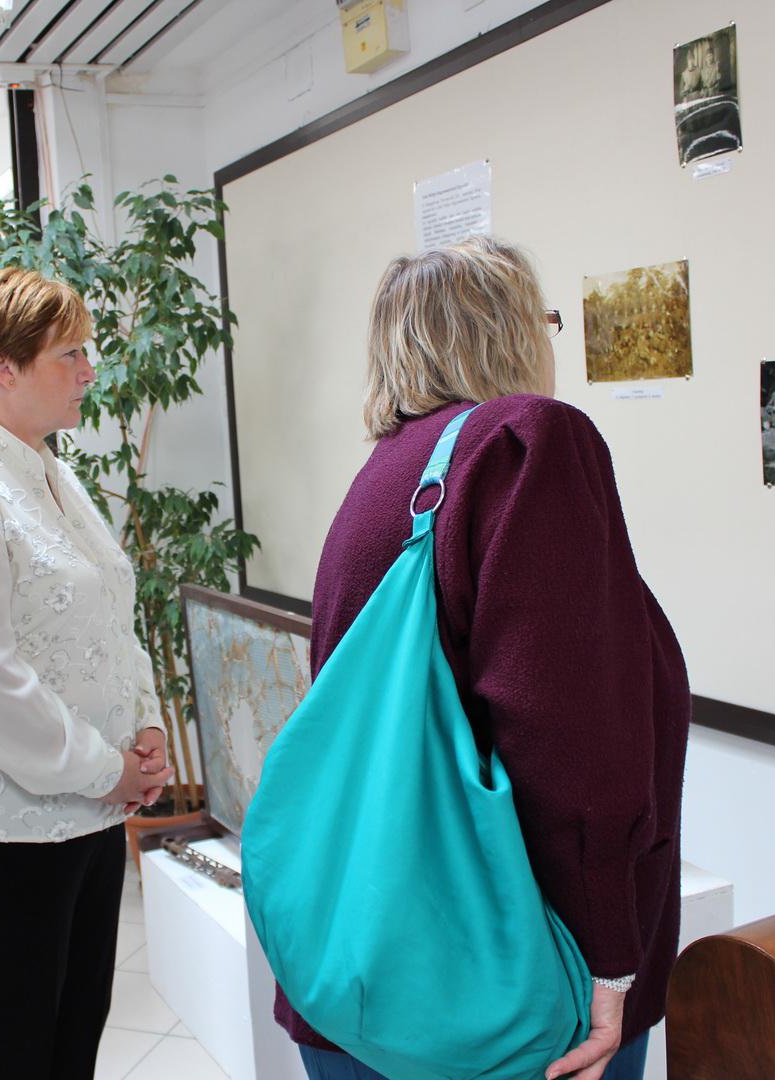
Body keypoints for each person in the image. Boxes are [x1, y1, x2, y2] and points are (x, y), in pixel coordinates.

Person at [270, 237, 690, 1080]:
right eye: (547, 320)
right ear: (511, 331)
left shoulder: (387, 479)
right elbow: (574, 742)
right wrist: (611, 959)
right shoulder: (527, 443)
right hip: (513, 996)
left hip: (366, 978)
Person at [0, 267, 175, 1080]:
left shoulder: (49, 467)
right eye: (69, 353)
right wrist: (103, 767)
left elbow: (111, 611)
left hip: (92, 809)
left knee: (77, 1027)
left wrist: (145, 728)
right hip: (14, 829)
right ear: (0, 365)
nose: (89, 370)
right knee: (14, 1045)